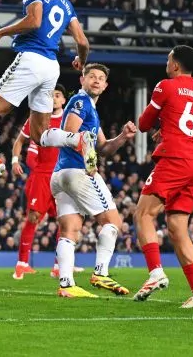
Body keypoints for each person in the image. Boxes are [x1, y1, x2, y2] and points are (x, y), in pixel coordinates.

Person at [0, 0, 92, 198]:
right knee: (40, 136)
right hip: (52, 66)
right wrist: (81, 61)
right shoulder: (64, 1)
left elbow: (34, 20)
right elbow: (82, 41)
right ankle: (77, 140)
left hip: (31, 58)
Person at [133, 45, 193, 309]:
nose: (166, 63)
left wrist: (162, 128)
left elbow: (143, 124)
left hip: (174, 159)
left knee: (143, 215)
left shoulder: (165, 86)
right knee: (177, 227)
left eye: (168, 59)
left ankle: (155, 272)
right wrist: (188, 134)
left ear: (175, 65)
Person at [49, 64, 135, 298]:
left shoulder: (91, 109)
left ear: (106, 86)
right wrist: (87, 154)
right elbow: (69, 133)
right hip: (78, 172)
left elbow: (104, 148)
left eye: (101, 78)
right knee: (113, 223)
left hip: (60, 175)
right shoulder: (81, 101)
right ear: (82, 80)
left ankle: (66, 284)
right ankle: (101, 272)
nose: (96, 81)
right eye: (92, 77)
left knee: (70, 229)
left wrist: (123, 137)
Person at [10, 84, 67, 280]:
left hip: (63, 175)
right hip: (42, 176)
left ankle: (59, 266)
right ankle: (22, 263)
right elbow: (19, 141)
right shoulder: (38, 118)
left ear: (63, 100)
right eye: (51, 95)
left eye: (57, 95)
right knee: (33, 217)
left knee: (64, 220)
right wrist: (15, 160)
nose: (53, 99)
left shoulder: (70, 119)